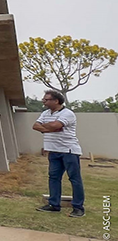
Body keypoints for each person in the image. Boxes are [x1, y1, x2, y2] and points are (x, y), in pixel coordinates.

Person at [33, 89, 85, 217]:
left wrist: (47, 127)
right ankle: (54, 205)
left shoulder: (68, 114)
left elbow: (56, 125)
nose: (43, 101)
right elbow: (35, 126)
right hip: (53, 151)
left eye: (46, 99)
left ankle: (78, 207)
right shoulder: (45, 113)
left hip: (69, 151)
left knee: (74, 178)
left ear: (56, 101)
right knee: (54, 178)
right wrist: (51, 127)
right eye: (44, 99)